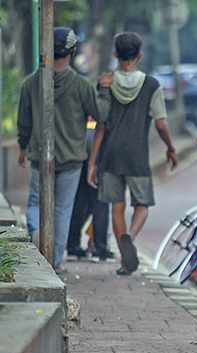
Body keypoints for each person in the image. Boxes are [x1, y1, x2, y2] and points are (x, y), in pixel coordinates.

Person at [17, 27, 112, 270]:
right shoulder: (81, 85)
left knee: (37, 204)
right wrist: (104, 88)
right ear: (72, 52)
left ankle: (37, 231)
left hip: (40, 157)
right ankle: (54, 263)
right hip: (71, 161)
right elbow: (100, 113)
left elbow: (24, 121)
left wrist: (22, 147)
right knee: (62, 210)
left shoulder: (31, 83)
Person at [88, 32, 178, 275]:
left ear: (116, 55)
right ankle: (131, 236)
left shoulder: (105, 82)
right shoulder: (151, 85)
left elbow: (101, 125)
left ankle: (126, 262)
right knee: (142, 205)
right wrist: (170, 148)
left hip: (110, 155)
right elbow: (160, 124)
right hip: (137, 156)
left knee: (117, 208)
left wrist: (93, 162)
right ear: (139, 55)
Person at [66, 120, 114, 261]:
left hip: (77, 139)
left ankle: (73, 245)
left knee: (80, 198)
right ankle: (100, 248)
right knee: (100, 198)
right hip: (98, 137)